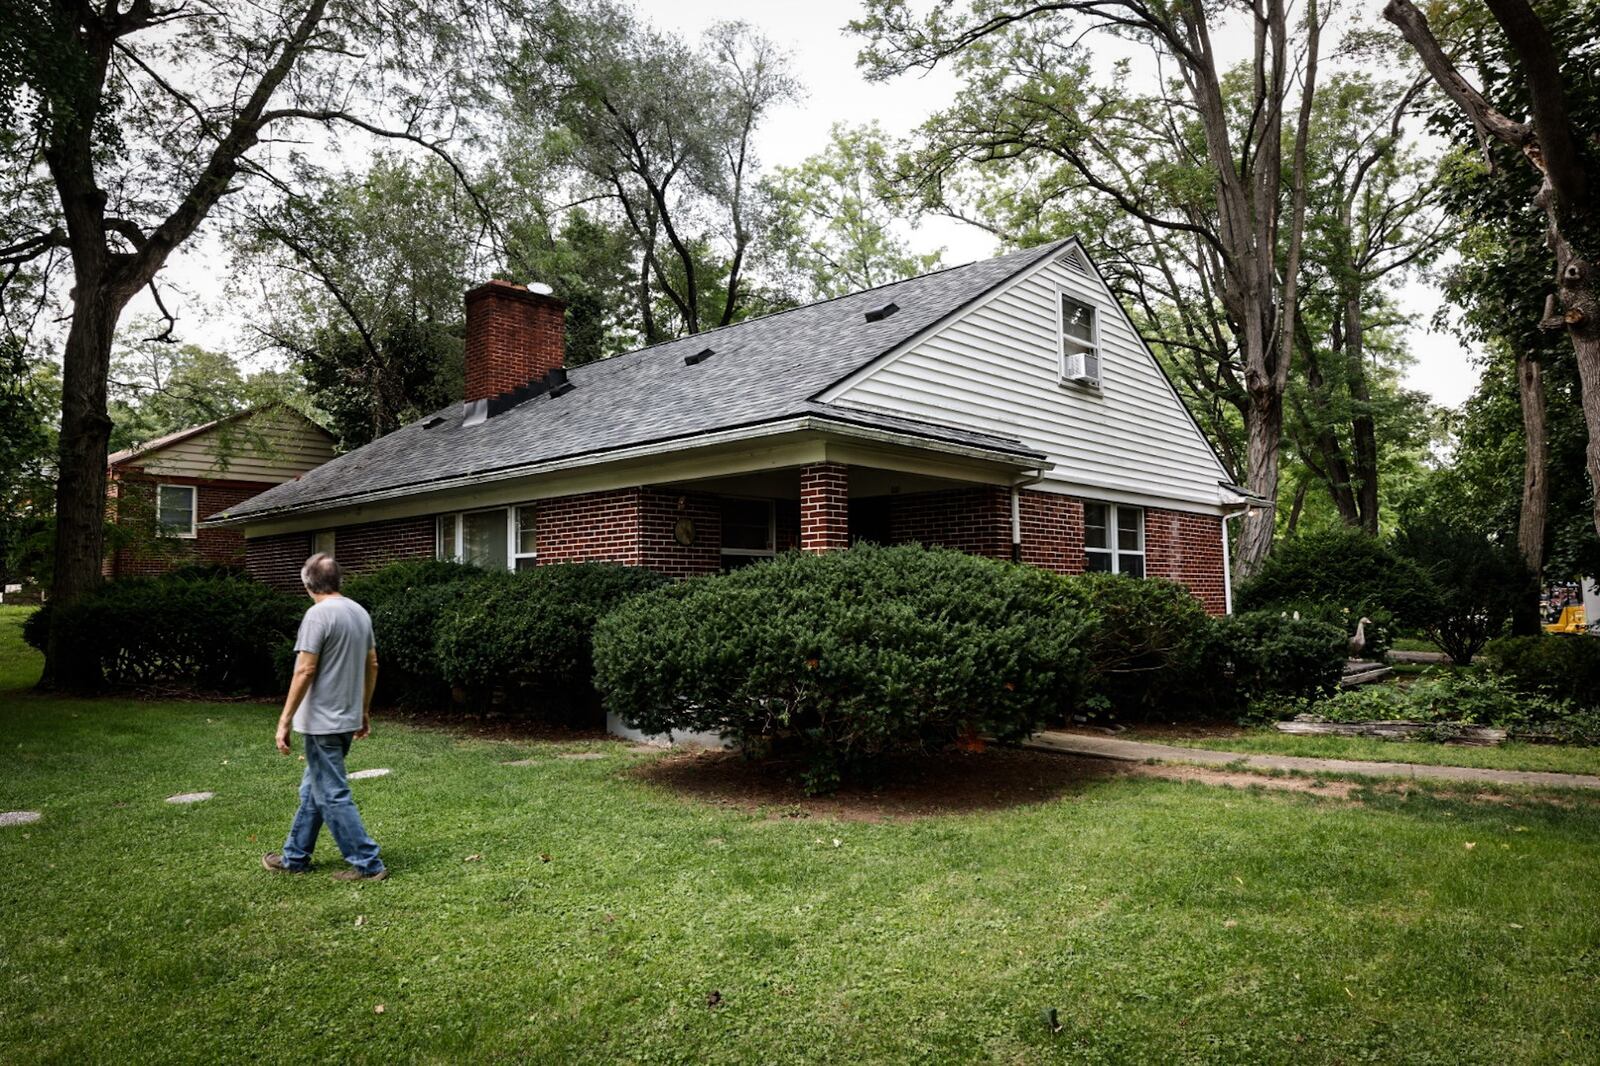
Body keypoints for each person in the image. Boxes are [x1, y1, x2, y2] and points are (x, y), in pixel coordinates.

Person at [261, 553, 388, 881]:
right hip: (346, 718)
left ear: (307, 584)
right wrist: (363, 709)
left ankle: (368, 863)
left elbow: (305, 668)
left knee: (331, 792)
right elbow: (372, 663)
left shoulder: (318, 615)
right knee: (314, 790)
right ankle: (294, 857)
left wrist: (284, 719)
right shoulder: (359, 612)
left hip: (321, 723)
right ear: (338, 581)